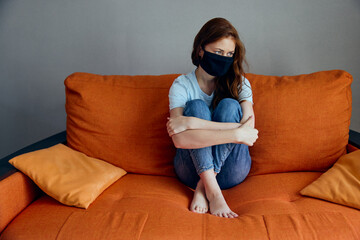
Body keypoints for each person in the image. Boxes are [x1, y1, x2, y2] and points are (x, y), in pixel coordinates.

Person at [166, 17, 259, 218]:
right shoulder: (182, 85)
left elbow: (249, 131)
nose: (224, 58)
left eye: (229, 54)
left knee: (229, 105)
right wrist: (236, 133)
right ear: (201, 50)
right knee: (197, 106)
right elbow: (180, 139)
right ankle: (214, 192)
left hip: (231, 170)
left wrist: (191, 123)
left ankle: (203, 188)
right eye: (218, 52)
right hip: (189, 170)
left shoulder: (240, 83)